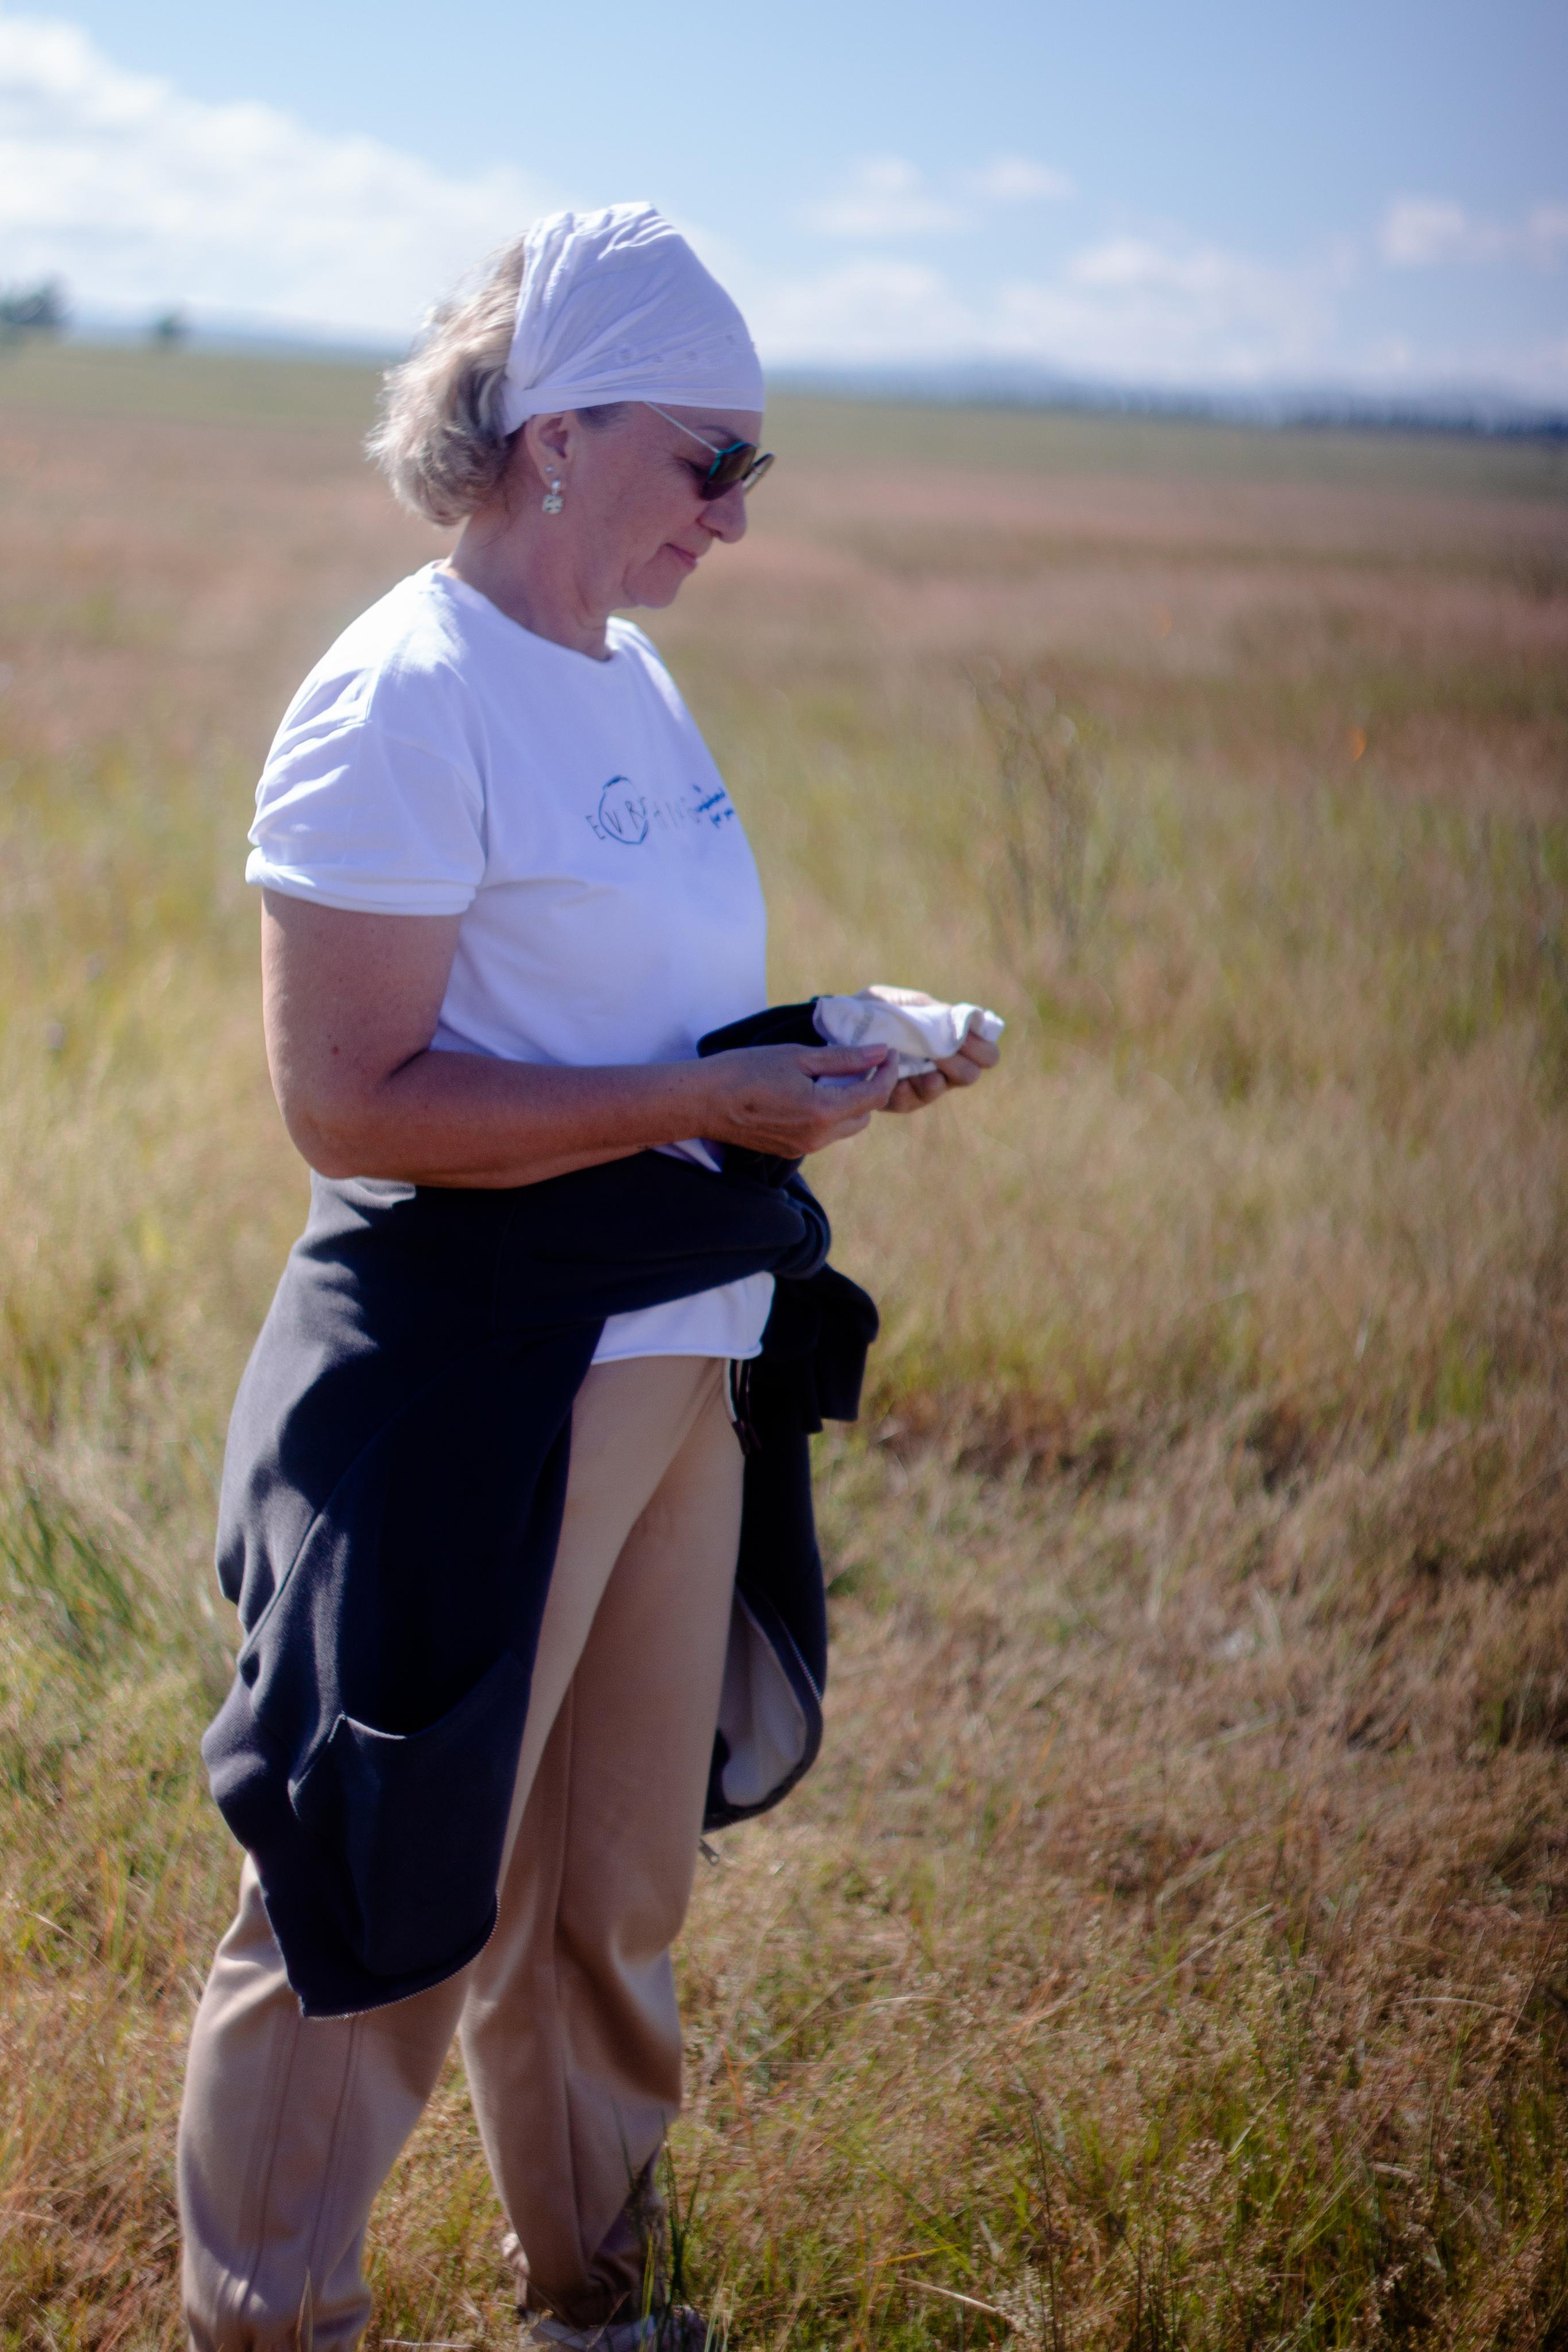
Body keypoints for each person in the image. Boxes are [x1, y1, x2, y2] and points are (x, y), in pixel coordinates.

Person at [176, 203, 999, 2352]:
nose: (734, 517)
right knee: (381, 1888)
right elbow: (351, 1104)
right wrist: (693, 1115)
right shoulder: (400, 691)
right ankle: (272, 2322)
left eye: (756, 472)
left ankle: (603, 2315)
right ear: (558, 432)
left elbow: (612, 1034)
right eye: (709, 460)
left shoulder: (630, 677)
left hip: (678, 1355)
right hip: (481, 1374)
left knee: (611, 1899)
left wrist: (822, 1044)